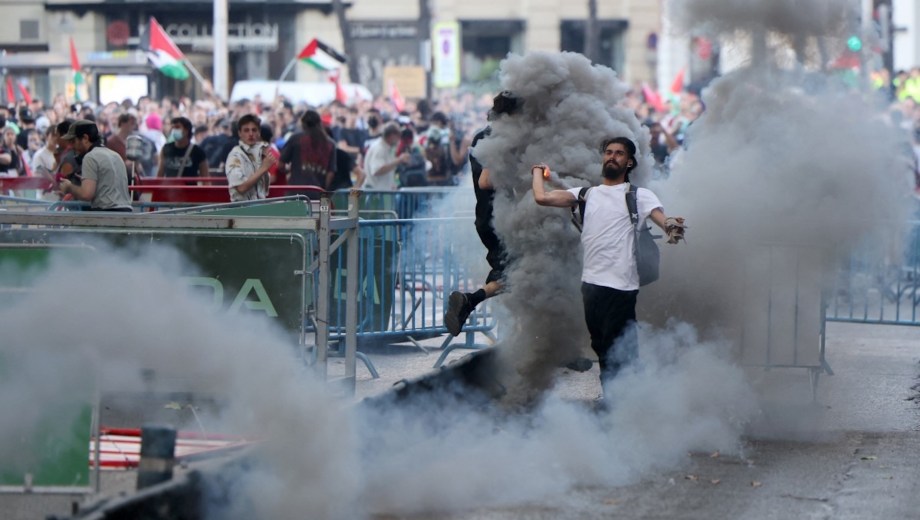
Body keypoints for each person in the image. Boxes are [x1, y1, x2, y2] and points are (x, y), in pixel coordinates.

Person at [531, 136, 686, 392]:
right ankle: (623, 399)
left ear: (629, 162)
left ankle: (621, 406)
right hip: (591, 285)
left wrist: (671, 226)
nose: (612, 156)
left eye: (619, 153)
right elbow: (542, 198)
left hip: (621, 287)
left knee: (618, 351)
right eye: (609, 152)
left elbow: (663, 220)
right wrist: (537, 171)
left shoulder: (639, 195)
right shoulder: (585, 194)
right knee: (602, 346)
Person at [443, 91, 521, 336]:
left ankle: (471, 303)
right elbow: (487, 180)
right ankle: (470, 301)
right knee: (524, 272)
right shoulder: (496, 138)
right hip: (499, 221)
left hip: (492, 219)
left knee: (513, 274)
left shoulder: (483, 135)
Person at [58, 119, 132, 211]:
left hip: (106, 215)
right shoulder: (115, 155)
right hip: (125, 213)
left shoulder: (90, 157)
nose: (71, 146)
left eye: (73, 141)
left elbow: (86, 194)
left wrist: (69, 187)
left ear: (85, 138)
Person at [225, 114, 276, 202]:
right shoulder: (235, 155)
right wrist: (264, 168)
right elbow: (241, 187)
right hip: (242, 209)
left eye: (254, 130)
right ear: (239, 133)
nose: (251, 134)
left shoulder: (260, 154)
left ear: (259, 133)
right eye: (246, 130)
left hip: (260, 207)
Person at [279, 110, 336, 188]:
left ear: (303, 124)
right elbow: (331, 173)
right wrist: (324, 189)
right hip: (318, 192)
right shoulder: (331, 143)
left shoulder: (295, 138)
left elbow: (280, 164)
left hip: (295, 191)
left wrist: (289, 171)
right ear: (320, 123)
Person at [361, 123, 408, 191]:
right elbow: (377, 170)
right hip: (377, 193)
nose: (399, 139)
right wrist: (399, 160)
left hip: (383, 192)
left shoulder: (386, 148)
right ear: (392, 136)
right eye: (398, 135)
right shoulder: (379, 148)